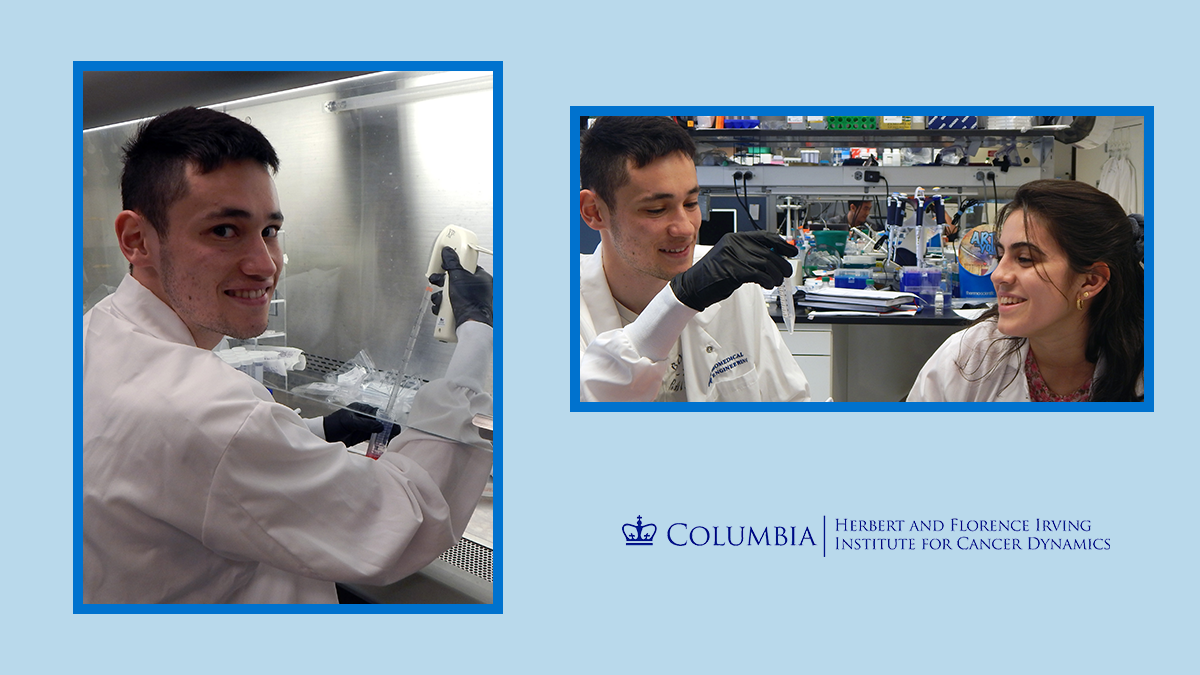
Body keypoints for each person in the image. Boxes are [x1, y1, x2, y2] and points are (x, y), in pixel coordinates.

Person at [82, 107, 494, 603]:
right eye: (223, 231)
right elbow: (404, 518)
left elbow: (199, 471)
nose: (264, 265)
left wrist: (318, 432)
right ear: (136, 240)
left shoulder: (99, 332)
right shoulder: (201, 412)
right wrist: (481, 337)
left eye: (270, 230)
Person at [578, 116, 811, 402]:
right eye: (656, 209)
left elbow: (790, 401)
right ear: (594, 211)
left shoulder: (733, 288)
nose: (686, 228)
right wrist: (680, 301)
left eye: (690, 203)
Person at [908, 179, 1143, 402]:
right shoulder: (967, 356)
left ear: (1090, 281)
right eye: (1000, 256)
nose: (998, 275)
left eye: (1024, 258)